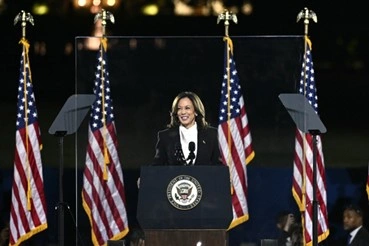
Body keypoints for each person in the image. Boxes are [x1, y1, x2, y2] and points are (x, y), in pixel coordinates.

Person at [152, 91, 222, 166]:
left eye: (187, 108)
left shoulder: (211, 134)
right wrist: (145, 176)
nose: (183, 112)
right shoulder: (165, 136)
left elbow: (217, 166)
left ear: (196, 111)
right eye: (179, 108)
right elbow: (157, 166)